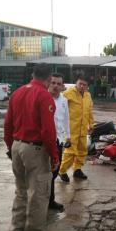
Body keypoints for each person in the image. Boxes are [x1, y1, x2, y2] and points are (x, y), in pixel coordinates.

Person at [4, 63, 59, 231]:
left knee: (21, 192)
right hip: (35, 150)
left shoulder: (17, 93)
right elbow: (48, 131)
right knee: (38, 195)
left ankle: (17, 228)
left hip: (16, 146)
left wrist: (10, 147)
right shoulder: (44, 96)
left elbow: (8, 125)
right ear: (49, 78)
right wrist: (54, 156)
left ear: (33, 75)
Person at [58, 74, 94, 182]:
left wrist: (91, 124)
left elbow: (89, 111)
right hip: (71, 130)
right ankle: (62, 171)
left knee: (82, 150)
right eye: (80, 84)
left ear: (87, 86)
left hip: (83, 129)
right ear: (76, 83)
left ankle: (77, 169)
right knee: (70, 152)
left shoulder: (88, 96)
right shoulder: (67, 94)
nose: (82, 86)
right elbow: (60, 109)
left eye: (84, 85)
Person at [48, 73, 71, 211]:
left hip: (59, 140)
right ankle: (48, 200)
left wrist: (68, 136)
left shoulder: (63, 100)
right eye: (53, 83)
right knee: (46, 172)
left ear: (62, 86)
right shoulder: (43, 98)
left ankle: (49, 200)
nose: (56, 86)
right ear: (49, 84)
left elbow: (66, 119)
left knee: (55, 171)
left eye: (59, 84)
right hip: (44, 141)